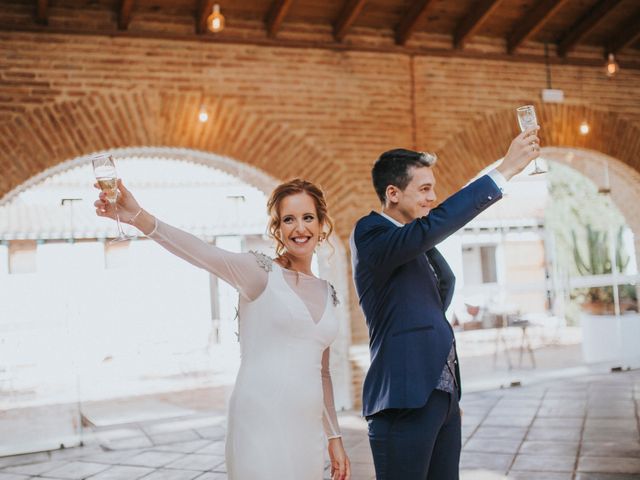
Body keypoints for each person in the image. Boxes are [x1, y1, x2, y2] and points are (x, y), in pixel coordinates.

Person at [94, 178, 351, 480]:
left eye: (308, 217)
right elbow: (201, 253)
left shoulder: (327, 291)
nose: (300, 228)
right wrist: (138, 216)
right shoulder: (260, 272)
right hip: (260, 422)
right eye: (288, 219)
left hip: (306, 431)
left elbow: (321, 373)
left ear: (321, 223)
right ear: (277, 228)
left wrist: (334, 436)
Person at [350, 126, 541, 479]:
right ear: (392, 193)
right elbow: (434, 226)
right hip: (403, 399)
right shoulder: (371, 233)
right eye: (424, 189)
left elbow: (433, 297)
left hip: (441, 397)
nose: (431, 198)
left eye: (433, 189)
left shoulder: (416, 243)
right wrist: (505, 170)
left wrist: (447, 398)